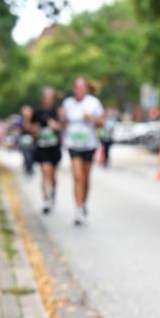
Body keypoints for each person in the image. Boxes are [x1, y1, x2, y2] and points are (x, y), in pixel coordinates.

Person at [61, 76, 105, 225]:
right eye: (76, 87)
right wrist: (60, 119)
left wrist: (91, 118)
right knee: (77, 176)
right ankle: (78, 210)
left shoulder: (93, 103)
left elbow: (101, 123)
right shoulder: (67, 103)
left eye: (81, 87)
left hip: (89, 144)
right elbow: (62, 124)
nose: (78, 90)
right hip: (73, 144)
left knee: (85, 178)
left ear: (86, 89)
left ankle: (84, 202)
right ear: (73, 89)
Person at [26, 87, 64, 214]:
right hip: (42, 146)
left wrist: (56, 126)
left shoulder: (57, 111)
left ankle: (52, 192)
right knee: (45, 172)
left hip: (54, 147)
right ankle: (46, 199)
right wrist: (34, 129)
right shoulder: (37, 112)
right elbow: (30, 128)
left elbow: (63, 126)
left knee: (52, 175)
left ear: (53, 98)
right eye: (45, 97)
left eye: (49, 97)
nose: (47, 99)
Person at [18, 105, 36, 176]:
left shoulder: (34, 120)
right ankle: (28, 168)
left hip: (32, 142)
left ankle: (30, 166)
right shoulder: (21, 121)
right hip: (24, 142)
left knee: (32, 156)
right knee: (27, 156)